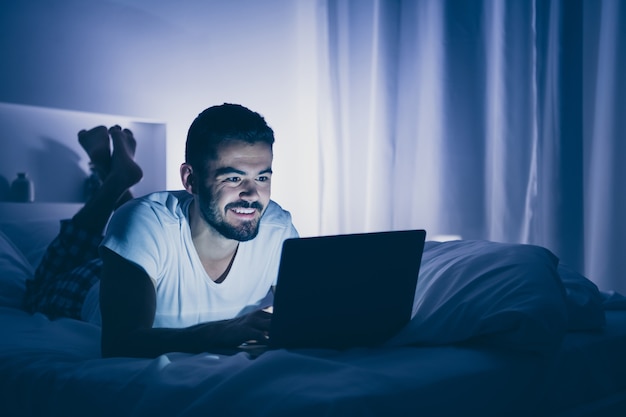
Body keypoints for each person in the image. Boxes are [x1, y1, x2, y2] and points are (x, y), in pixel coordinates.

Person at [23, 103, 299, 358]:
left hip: (146, 251)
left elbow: (304, 317)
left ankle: (111, 171)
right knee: (41, 287)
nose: (252, 194)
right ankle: (115, 180)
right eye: (234, 178)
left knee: (136, 224)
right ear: (190, 180)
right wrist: (222, 331)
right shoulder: (144, 222)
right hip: (93, 284)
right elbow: (121, 343)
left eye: (262, 177)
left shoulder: (277, 227)